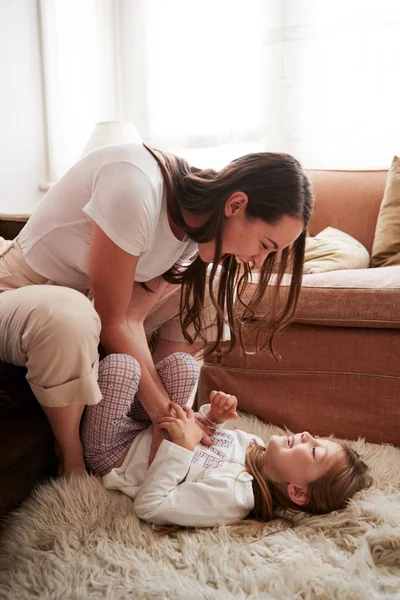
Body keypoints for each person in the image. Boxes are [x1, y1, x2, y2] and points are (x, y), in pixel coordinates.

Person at [0, 142, 313, 476]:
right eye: (265, 246)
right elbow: (111, 321)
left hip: (88, 306)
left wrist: (174, 413)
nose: (257, 262)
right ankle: (71, 455)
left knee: (210, 290)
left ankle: (156, 433)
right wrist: (167, 414)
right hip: (20, 288)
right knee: (71, 314)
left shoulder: (194, 229)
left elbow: (130, 318)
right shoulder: (137, 188)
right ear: (236, 204)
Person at [82, 352, 372, 528]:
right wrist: (214, 418)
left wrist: (181, 447)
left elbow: (149, 506)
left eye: (314, 451)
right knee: (185, 365)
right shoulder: (252, 444)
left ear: (297, 492)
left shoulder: (232, 498)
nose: (307, 436)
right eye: (316, 438)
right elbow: (206, 438)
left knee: (122, 366)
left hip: (115, 453)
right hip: (149, 425)